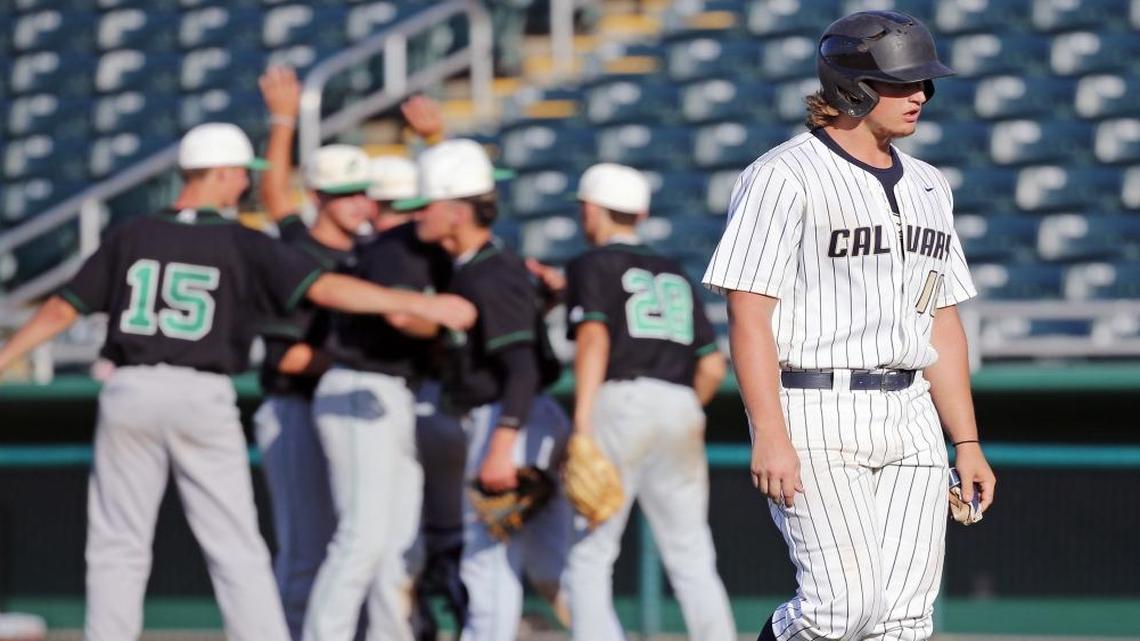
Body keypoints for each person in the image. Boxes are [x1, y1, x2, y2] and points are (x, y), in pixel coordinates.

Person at [0, 122, 475, 641]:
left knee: (118, 542)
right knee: (234, 543)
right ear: (222, 173)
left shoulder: (131, 233)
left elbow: (59, 309)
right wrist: (414, 302)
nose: (243, 185)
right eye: (239, 175)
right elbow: (329, 290)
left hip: (129, 387)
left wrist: (4, 360)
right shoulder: (238, 240)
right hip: (200, 390)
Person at [701, 11, 996, 641]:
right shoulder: (783, 175)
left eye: (925, 82)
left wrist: (965, 441)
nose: (920, 94)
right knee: (838, 608)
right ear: (852, 87)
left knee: (905, 619)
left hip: (911, 412)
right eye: (903, 81)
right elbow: (748, 313)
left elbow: (940, 316)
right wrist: (769, 432)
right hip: (814, 404)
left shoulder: (929, 185)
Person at [399, 138, 572, 641]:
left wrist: (501, 446)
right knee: (552, 567)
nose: (416, 216)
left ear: (456, 211)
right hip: (521, 416)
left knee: (486, 562)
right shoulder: (478, 266)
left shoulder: (490, 272)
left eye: (425, 206)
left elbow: (519, 367)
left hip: (508, 416)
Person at [561, 162, 737, 641]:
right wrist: (682, 410)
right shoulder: (673, 270)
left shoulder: (590, 263)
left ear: (593, 211)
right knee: (691, 552)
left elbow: (595, 338)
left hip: (620, 398)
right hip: (680, 402)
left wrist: (581, 424)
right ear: (638, 214)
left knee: (591, 547)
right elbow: (712, 366)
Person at [253, 66, 377, 641]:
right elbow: (286, 359)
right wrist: (283, 120)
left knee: (353, 545)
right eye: (345, 193)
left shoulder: (370, 253)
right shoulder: (298, 247)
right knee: (305, 550)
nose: (359, 202)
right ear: (320, 197)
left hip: (350, 409)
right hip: (297, 408)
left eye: (363, 191)